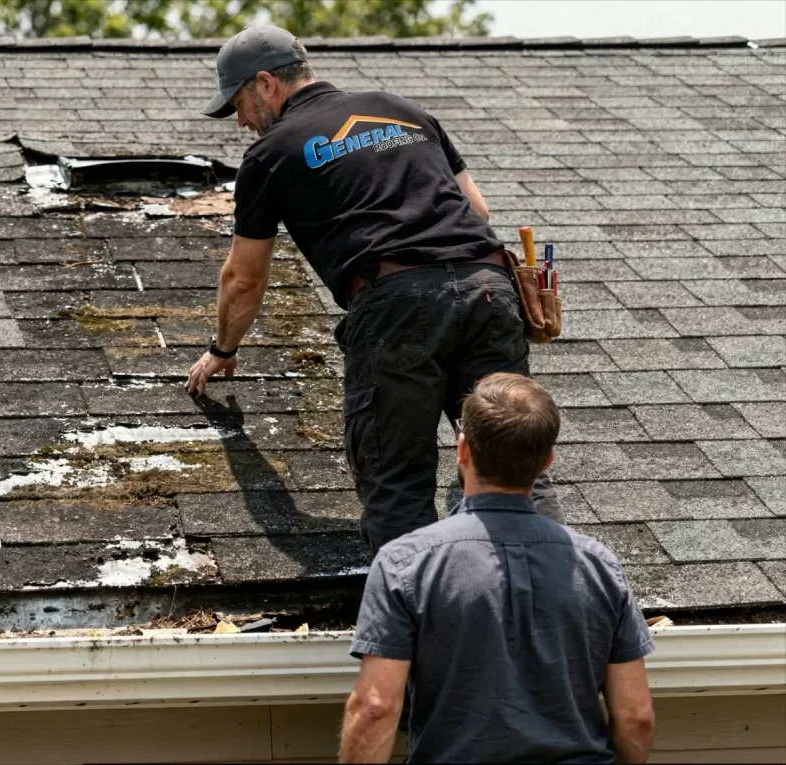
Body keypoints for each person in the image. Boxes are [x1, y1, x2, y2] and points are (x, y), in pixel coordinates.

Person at [185, 25, 564, 558]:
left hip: (398, 305)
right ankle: (546, 607)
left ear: (266, 84)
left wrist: (222, 349)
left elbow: (243, 277)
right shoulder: (401, 110)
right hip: (489, 288)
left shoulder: (272, 153)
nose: (242, 121)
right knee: (511, 462)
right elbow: (477, 211)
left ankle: (418, 629)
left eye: (240, 104)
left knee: (397, 481)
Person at [339, 373, 656, 764]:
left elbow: (374, 708)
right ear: (547, 461)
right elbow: (635, 715)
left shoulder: (406, 564)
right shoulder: (599, 567)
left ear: (463, 450)